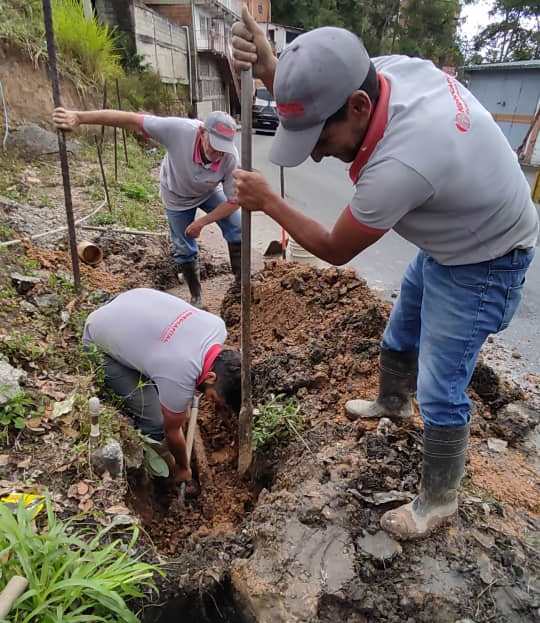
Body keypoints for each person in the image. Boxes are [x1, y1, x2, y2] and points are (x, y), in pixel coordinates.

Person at [231, 9, 539, 539]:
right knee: (401, 328)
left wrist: (268, 201)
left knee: (442, 385)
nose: (319, 155)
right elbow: (318, 84)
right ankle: (393, 402)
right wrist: (269, 66)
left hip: (486, 260)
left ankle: (439, 500)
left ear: (359, 107)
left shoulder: (403, 162)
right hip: (452, 239)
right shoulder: (380, 72)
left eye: (320, 140)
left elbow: (332, 248)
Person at [52, 107, 242, 309]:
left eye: (222, 148)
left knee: (237, 227)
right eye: (214, 146)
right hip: (177, 196)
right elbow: (131, 119)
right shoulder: (179, 130)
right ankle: (196, 297)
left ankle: (240, 288)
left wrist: (203, 222)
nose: (218, 154)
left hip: (208, 191)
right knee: (184, 247)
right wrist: (80, 117)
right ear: (202, 132)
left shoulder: (230, 157)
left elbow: (234, 201)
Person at [83, 288, 241, 483]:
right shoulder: (179, 373)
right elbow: (172, 431)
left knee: (165, 386)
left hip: (126, 302)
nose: (212, 403)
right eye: (213, 397)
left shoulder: (217, 326)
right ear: (210, 377)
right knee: (155, 423)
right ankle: (158, 476)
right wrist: (183, 468)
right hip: (96, 338)